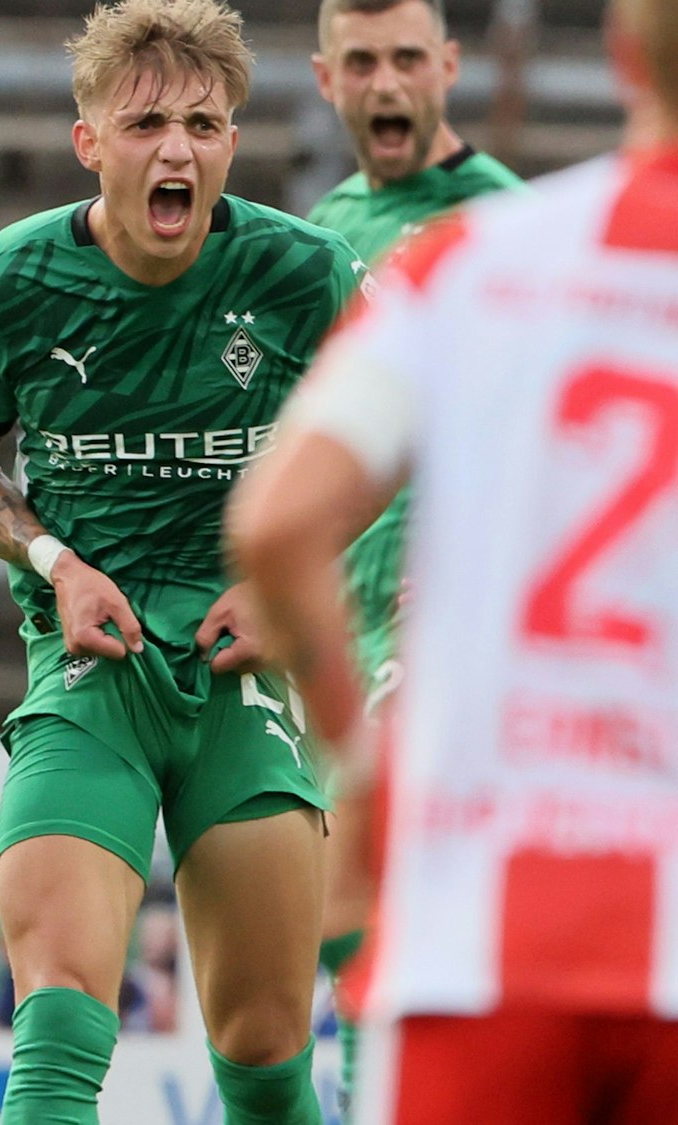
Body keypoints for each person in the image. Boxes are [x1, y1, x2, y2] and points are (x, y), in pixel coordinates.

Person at [230, 0, 678, 1118]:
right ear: (328, 76)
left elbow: (274, 523)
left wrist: (361, 758)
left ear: (622, 55)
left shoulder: (478, 255)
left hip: (482, 917)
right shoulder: (379, 229)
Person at [0, 2, 366, 1121]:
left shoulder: (306, 273)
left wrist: (283, 589)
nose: (177, 149)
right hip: (91, 674)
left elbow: (397, 448)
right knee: (60, 1024)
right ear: (88, 142)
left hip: (238, 678)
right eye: (146, 124)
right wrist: (56, 562)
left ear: (231, 143)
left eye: (203, 126)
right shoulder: (3, 279)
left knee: (265, 1059)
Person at [303, 4, 523, 1102]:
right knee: (341, 943)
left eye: (404, 60)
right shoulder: (323, 226)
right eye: (360, 63)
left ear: (448, 65)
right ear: (324, 78)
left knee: (386, 928)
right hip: (335, 630)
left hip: (442, 633)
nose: (384, 84)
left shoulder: (506, 225)